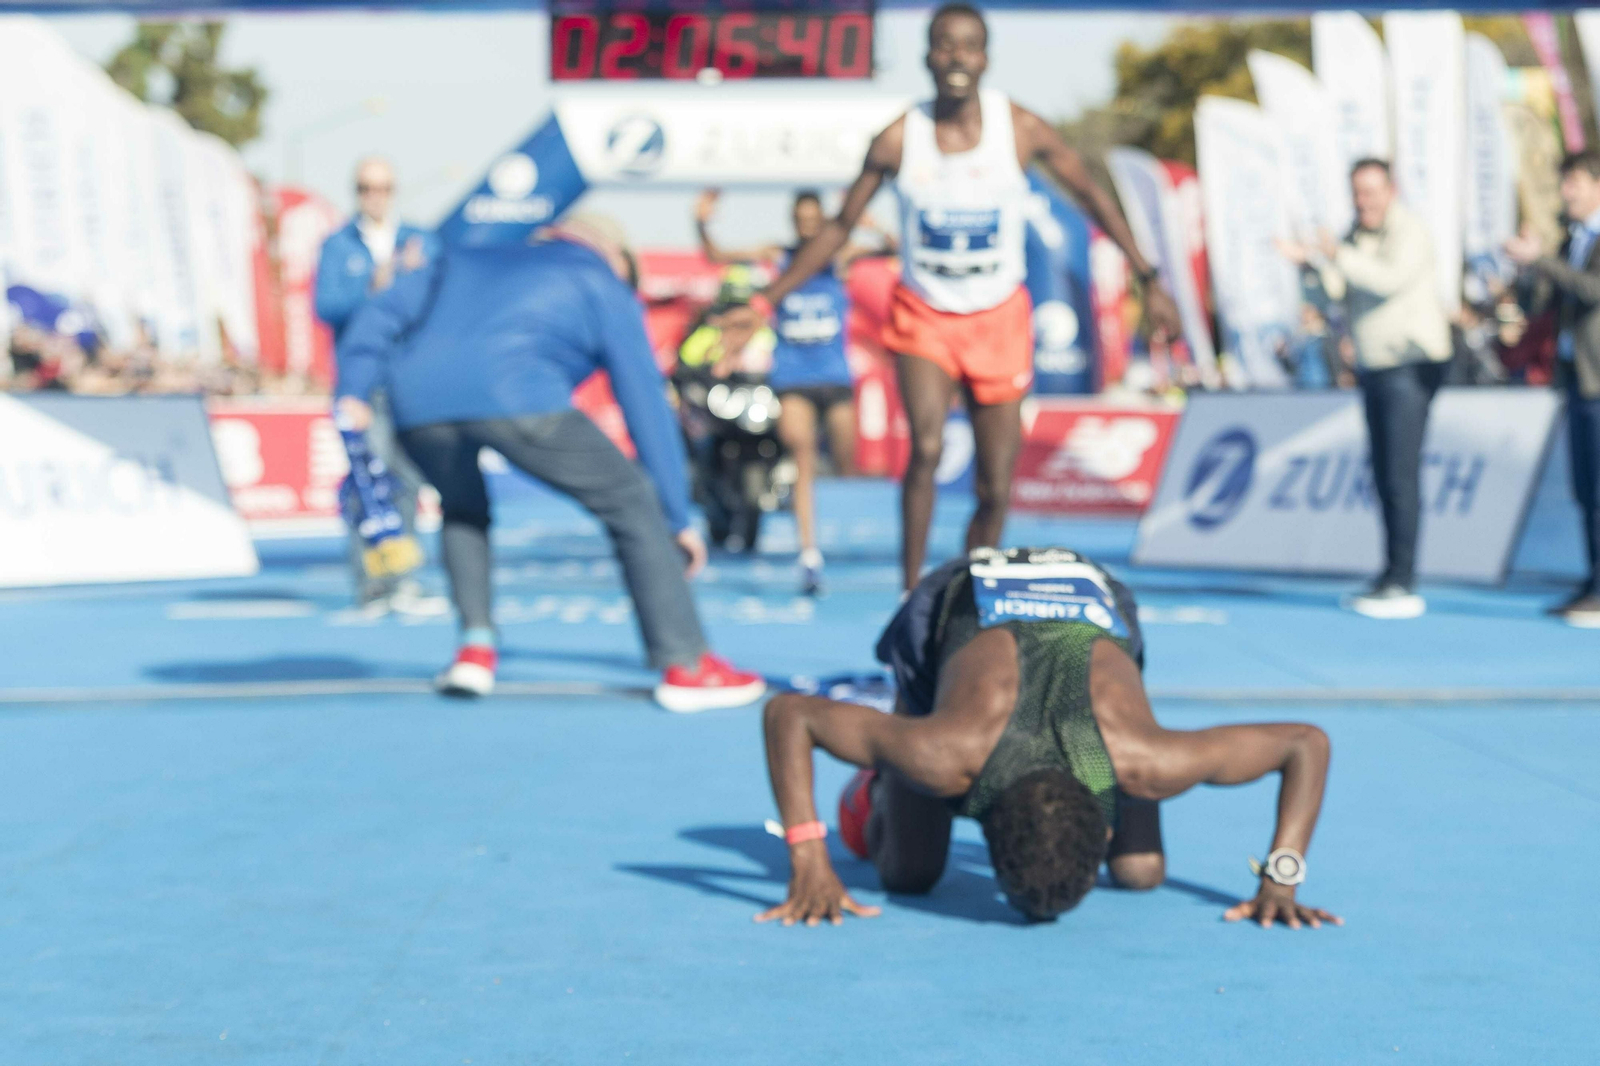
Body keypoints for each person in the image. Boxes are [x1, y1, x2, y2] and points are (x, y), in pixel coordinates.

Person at [755, 3, 1181, 591]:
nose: (956, 59)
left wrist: (1149, 277)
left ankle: (969, 588)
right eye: (944, 46)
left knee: (996, 485)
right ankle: (910, 593)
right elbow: (838, 226)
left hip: (999, 316)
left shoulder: (1021, 128)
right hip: (925, 316)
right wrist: (767, 296)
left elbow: (1092, 197)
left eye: (969, 47)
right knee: (926, 448)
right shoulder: (900, 138)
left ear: (986, 57)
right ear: (927, 56)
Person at [756, 547, 1341, 928]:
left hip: (1084, 585)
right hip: (959, 596)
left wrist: (1281, 877)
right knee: (910, 874)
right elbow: (789, 715)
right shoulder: (943, 753)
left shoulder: (1146, 759)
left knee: (1142, 874)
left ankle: (895, 766)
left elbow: (1304, 743)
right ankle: (875, 782)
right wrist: (808, 856)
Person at [333, 213, 766, 712]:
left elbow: (382, 313)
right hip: (519, 396)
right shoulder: (599, 278)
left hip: (418, 406)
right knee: (629, 498)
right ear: (616, 258)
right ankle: (688, 665)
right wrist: (674, 516)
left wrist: (353, 389)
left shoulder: (459, 260)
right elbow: (643, 397)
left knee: (463, 507)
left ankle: (475, 647)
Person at [695, 189, 895, 593]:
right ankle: (808, 553)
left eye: (812, 219)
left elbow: (895, 249)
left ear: (822, 222)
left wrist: (877, 228)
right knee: (800, 450)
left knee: (845, 463)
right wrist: (701, 223)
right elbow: (718, 256)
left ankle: (799, 491)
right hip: (793, 377)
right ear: (793, 221)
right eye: (800, 219)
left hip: (834, 378)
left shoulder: (840, 256)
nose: (806, 226)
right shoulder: (778, 256)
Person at [1279, 158, 1452, 620]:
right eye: (1357, 193)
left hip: (1410, 364)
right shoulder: (1354, 236)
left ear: (1390, 190)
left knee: (1400, 473)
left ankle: (1403, 578)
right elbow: (1333, 293)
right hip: (1376, 367)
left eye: (1371, 192)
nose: (1363, 202)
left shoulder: (1410, 231)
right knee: (1382, 473)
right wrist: (1309, 265)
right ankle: (1390, 573)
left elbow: (1386, 280)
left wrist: (1336, 255)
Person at [315, 157, 440, 613]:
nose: (375, 196)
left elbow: (439, 302)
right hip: (363, 384)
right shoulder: (337, 246)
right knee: (369, 480)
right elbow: (325, 306)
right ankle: (370, 581)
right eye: (367, 188)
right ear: (356, 191)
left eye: (383, 188)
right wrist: (375, 284)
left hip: (410, 377)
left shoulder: (421, 240)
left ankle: (402, 576)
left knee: (408, 479)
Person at [1507, 150, 1600, 627]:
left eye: (1575, 183)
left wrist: (1544, 259)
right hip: (1577, 379)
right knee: (1586, 488)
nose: (1567, 192)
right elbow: (1543, 302)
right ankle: (1592, 578)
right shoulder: (1571, 240)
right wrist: (1529, 268)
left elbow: (1592, 290)